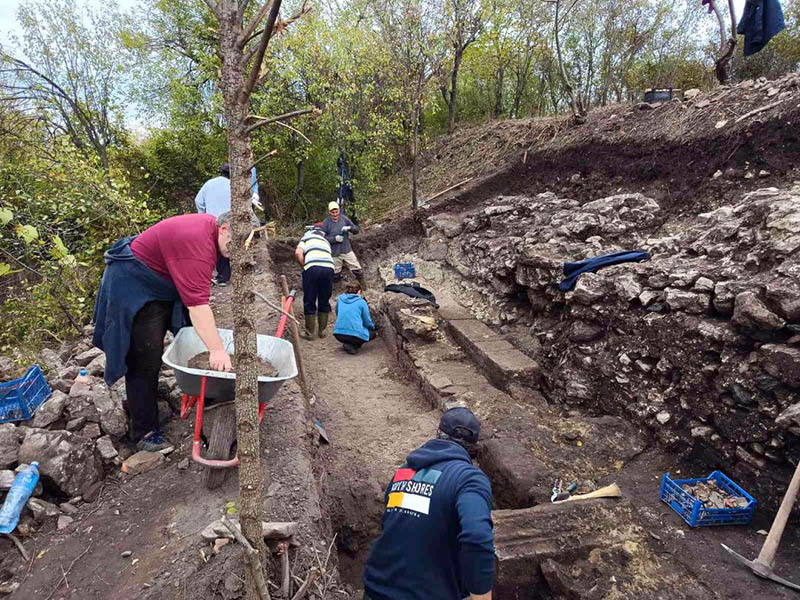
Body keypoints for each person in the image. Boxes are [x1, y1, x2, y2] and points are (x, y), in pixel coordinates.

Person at [92, 212, 235, 452]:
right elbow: (198, 306)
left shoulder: (215, 233)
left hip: (164, 280)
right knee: (145, 357)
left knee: (190, 334)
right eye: (236, 243)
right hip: (136, 284)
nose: (238, 250)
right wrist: (218, 350)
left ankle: (205, 394)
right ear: (224, 228)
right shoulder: (196, 246)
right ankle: (144, 432)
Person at [363, 407, 495, 600]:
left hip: (375, 590)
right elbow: (477, 537)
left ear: (438, 434)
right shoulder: (469, 479)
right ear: (474, 450)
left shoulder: (402, 473)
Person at [195, 163, 262, 286]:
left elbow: (198, 201)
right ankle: (240, 272)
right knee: (237, 244)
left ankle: (222, 277)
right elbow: (245, 204)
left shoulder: (209, 184)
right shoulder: (235, 186)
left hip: (212, 221)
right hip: (231, 221)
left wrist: (203, 214)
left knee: (218, 248)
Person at [295, 226, 335, 340]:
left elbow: (298, 253)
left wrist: (304, 266)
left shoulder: (306, 237)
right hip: (329, 268)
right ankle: (322, 331)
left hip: (312, 268)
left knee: (309, 299)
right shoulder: (325, 241)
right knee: (324, 298)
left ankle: (310, 333)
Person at [321, 201, 365, 288]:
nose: (335, 214)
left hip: (346, 250)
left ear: (339, 210)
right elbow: (322, 238)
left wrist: (350, 228)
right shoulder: (326, 222)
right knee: (335, 274)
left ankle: (364, 288)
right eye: (332, 212)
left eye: (336, 211)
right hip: (334, 253)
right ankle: (337, 291)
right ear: (329, 212)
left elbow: (356, 230)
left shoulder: (344, 219)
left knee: (358, 270)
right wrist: (334, 239)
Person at [333, 283, 376, 354]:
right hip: (355, 334)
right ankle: (353, 344)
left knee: (353, 333)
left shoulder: (340, 299)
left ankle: (349, 344)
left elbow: (337, 312)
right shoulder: (361, 302)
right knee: (372, 334)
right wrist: (372, 327)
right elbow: (367, 320)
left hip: (338, 334)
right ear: (359, 291)